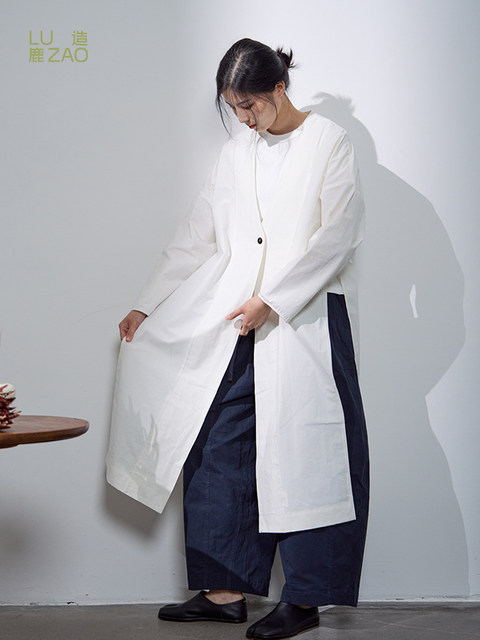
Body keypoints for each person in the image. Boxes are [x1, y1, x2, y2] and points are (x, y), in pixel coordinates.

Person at [106, 37, 369, 640]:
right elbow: (198, 232)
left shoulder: (328, 142)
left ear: (279, 87)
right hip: (234, 320)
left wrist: (272, 299)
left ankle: (305, 599)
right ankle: (223, 592)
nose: (246, 119)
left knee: (309, 452)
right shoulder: (235, 154)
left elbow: (338, 234)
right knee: (218, 443)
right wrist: (147, 301)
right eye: (235, 109)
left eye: (251, 105)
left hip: (303, 319)